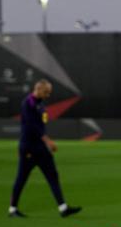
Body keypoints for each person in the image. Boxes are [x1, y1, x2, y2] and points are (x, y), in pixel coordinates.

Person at [8, 79, 81, 218]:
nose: (48, 95)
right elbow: (31, 126)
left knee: (52, 175)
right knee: (22, 178)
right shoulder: (28, 103)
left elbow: (40, 125)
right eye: (46, 92)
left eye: (49, 92)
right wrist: (47, 140)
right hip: (29, 147)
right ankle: (12, 209)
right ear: (39, 89)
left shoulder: (40, 103)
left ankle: (63, 208)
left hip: (40, 148)